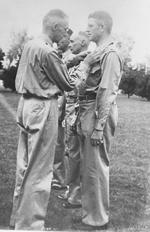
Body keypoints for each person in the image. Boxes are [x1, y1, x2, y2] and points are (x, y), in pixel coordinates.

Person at [9, 9, 92, 230]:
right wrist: (84, 66)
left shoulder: (31, 45)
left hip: (25, 105)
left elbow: (50, 69)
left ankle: (18, 220)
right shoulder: (48, 51)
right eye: (65, 29)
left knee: (24, 166)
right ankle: (31, 225)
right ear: (55, 27)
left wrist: (74, 58)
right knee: (39, 171)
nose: (66, 33)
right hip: (42, 107)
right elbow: (67, 83)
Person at [73, 11, 123, 230]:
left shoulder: (110, 53)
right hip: (87, 109)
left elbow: (107, 91)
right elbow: (81, 85)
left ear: (102, 27)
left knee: (96, 167)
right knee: (88, 166)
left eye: (91, 26)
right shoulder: (96, 52)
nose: (87, 30)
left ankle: (98, 219)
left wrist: (99, 127)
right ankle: (89, 215)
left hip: (97, 111)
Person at [59, 32, 90, 208]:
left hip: (78, 112)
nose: (69, 44)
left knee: (76, 155)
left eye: (73, 41)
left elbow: (77, 86)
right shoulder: (74, 60)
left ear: (83, 42)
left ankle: (76, 196)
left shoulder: (89, 61)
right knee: (69, 153)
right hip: (69, 111)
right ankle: (70, 190)